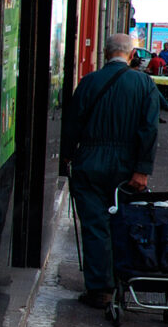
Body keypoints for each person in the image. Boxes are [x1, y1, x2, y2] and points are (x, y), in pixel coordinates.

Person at [60, 33, 160, 309]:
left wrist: (68, 156)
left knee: (95, 225)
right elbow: (149, 129)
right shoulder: (143, 84)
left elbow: (72, 122)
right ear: (130, 55)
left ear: (105, 54)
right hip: (126, 165)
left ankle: (100, 289)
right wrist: (142, 169)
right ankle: (123, 281)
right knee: (124, 222)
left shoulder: (89, 82)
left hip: (90, 160)